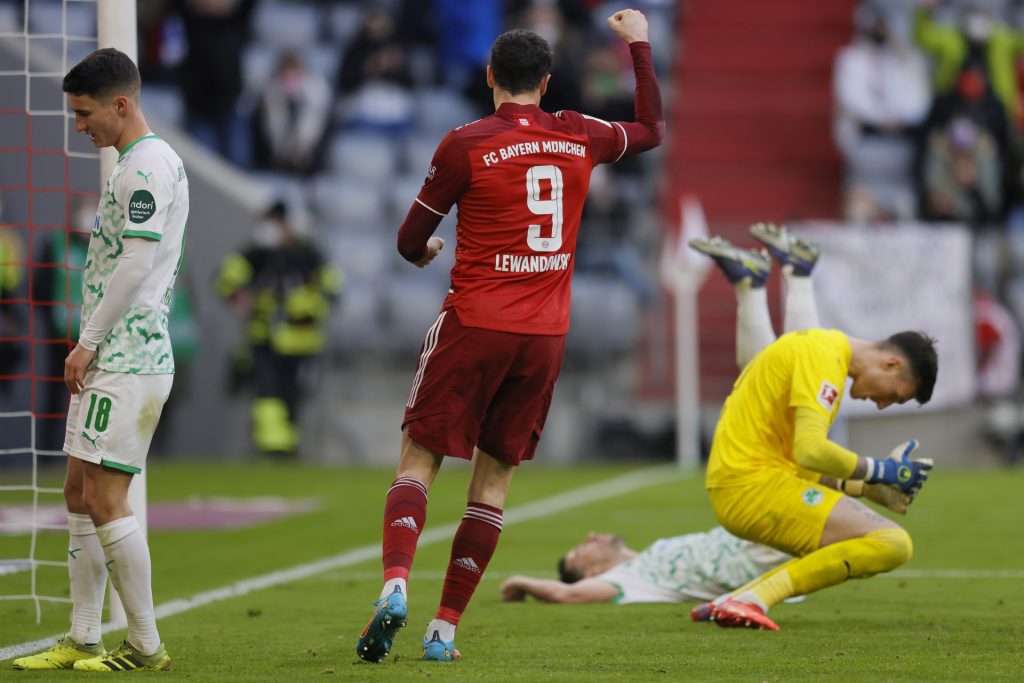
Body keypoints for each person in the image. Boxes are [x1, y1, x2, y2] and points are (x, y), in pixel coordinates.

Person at [354, 9, 663, 664]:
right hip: (544, 336)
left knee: (418, 458)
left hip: (473, 323)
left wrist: (423, 251)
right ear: (547, 83)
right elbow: (653, 130)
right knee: (492, 482)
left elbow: (410, 238)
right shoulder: (581, 135)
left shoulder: (466, 142)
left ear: (490, 76)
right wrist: (638, 45)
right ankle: (443, 630)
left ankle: (395, 585)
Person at [12, 47, 189, 671]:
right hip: (117, 354)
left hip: (130, 355)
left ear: (122, 104)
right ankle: (83, 635)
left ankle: (145, 645)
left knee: (107, 500)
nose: (79, 125)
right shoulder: (140, 163)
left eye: (85, 113)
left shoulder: (145, 168)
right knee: (79, 491)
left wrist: (87, 339)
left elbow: (136, 263)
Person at [686, 224, 937, 631]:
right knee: (892, 544)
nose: (882, 403)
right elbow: (810, 451)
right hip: (752, 487)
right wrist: (883, 470)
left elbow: (801, 462)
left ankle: (736, 598)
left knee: (875, 537)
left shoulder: (823, 351)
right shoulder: (825, 358)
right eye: (896, 394)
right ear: (892, 364)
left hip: (748, 482)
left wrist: (871, 490)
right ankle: (753, 599)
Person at [215, 201, 341, 457]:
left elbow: (332, 291)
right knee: (268, 398)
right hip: (265, 342)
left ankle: (286, 451)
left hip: (302, 344)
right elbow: (224, 279)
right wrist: (240, 298)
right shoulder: (256, 256)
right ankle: (273, 451)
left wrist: (302, 304)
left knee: (291, 400)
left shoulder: (308, 255)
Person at [499, 526, 791, 607]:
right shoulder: (627, 580)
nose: (590, 536)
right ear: (593, 573)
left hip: (751, 532)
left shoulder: (648, 556)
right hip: (763, 553)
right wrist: (520, 581)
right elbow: (566, 594)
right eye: (581, 550)